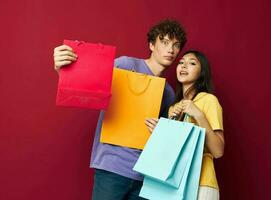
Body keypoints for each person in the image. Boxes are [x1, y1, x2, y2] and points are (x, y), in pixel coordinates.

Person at [53, 19, 187, 200]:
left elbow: (162, 143)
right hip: (112, 168)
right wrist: (61, 68)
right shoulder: (125, 65)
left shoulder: (168, 92)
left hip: (145, 176)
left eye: (176, 45)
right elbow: (87, 83)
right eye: (164, 42)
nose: (170, 49)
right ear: (151, 44)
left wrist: (160, 131)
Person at [168, 50, 225, 200]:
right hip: (173, 183)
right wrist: (161, 129)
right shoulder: (174, 108)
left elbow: (218, 151)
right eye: (181, 62)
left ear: (202, 73)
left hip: (201, 184)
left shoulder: (208, 100)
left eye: (192, 63)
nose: (184, 66)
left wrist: (199, 115)